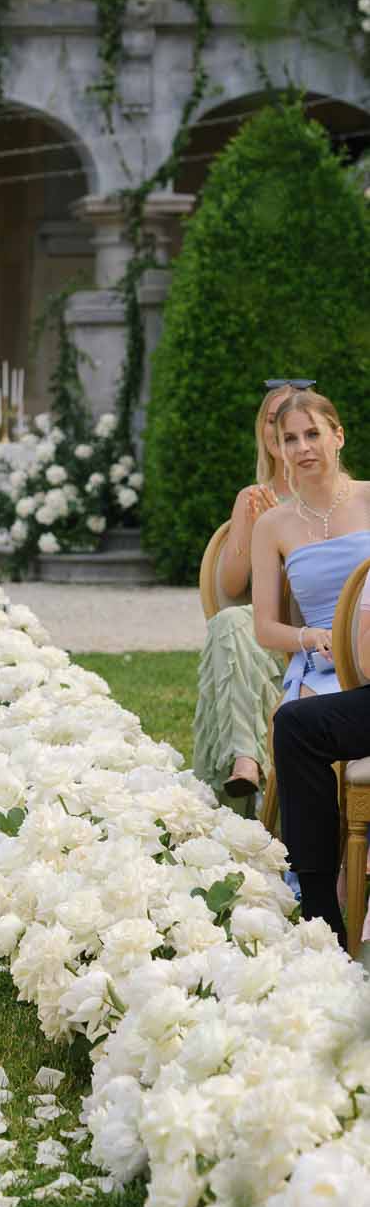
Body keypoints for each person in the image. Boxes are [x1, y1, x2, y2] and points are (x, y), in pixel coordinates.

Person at [255, 391, 370, 945]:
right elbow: (264, 627)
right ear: (277, 449)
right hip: (321, 661)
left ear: (337, 435)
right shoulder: (274, 524)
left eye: (312, 434)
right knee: (296, 721)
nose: (302, 448)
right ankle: (321, 912)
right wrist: (312, 636)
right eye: (289, 439)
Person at [193, 381, 300, 801]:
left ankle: (240, 768)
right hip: (262, 634)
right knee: (230, 623)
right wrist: (254, 525)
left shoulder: (334, 498)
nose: (281, 429)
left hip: (310, 632)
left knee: (231, 626)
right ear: (264, 429)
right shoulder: (254, 498)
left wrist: (285, 532)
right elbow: (232, 586)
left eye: (292, 419)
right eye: (273, 419)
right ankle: (246, 760)